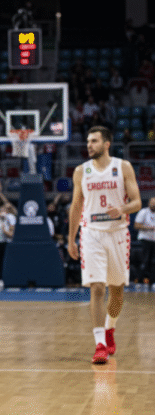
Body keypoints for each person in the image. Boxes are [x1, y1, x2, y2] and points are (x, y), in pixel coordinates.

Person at [68, 126, 141, 364]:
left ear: (107, 144)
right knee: (97, 288)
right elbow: (76, 207)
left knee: (117, 290)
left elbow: (138, 202)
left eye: (94, 141)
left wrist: (122, 208)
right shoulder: (81, 171)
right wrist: (71, 238)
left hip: (118, 233)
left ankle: (110, 328)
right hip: (92, 233)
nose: (89, 145)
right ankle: (99, 343)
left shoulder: (123, 167)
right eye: (88, 141)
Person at [134, 197, 155, 288]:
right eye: (152, 203)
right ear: (149, 203)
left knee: (154, 262)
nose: (153, 204)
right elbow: (136, 225)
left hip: (154, 240)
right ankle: (139, 281)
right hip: (145, 240)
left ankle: (152, 282)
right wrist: (149, 228)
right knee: (145, 261)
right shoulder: (143, 212)